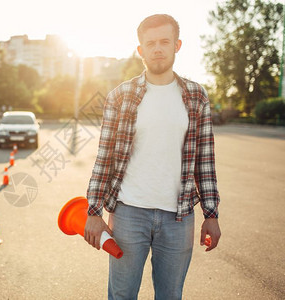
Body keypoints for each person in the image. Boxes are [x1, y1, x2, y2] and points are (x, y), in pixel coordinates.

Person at [84, 14, 221, 300]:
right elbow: (104, 158)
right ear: (140, 50)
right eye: (150, 43)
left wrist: (211, 213)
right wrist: (94, 211)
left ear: (177, 45)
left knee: (170, 296)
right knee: (121, 295)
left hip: (179, 218)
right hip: (128, 213)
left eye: (164, 41)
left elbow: (205, 162)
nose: (157, 48)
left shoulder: (196, 96)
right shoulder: (120, 96)